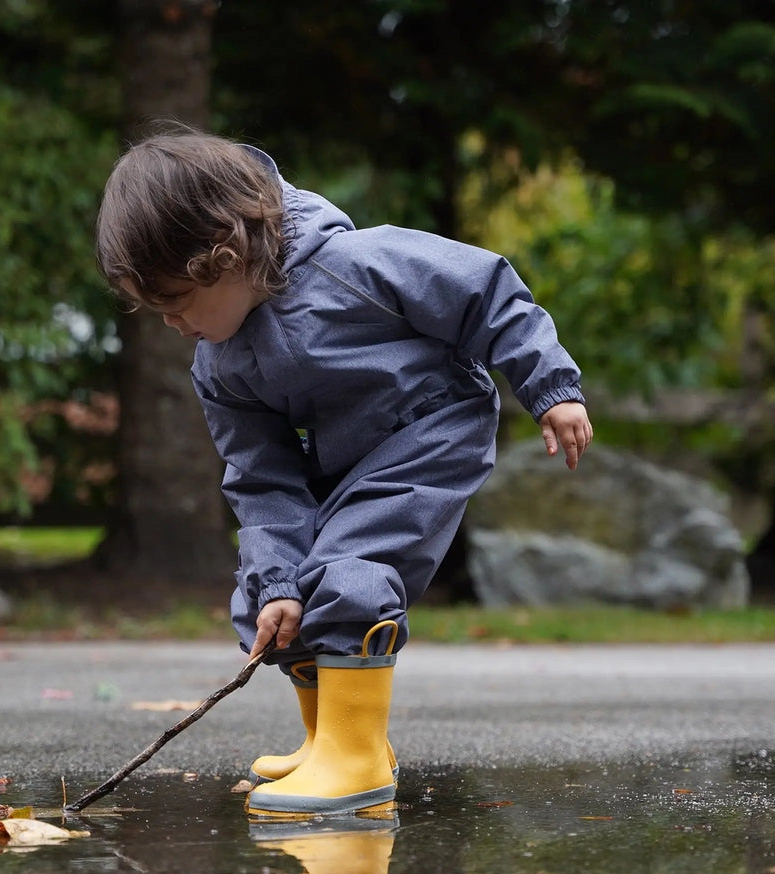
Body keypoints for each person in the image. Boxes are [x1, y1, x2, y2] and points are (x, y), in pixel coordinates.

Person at [95, 124, 593, 818]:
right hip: (347, 460)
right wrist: (273, 580)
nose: (172, 325)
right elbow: (260, 476)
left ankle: (356, 761)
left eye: (176, 303)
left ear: (224, 256)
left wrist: (552, 388)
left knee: (352, 571)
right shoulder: (220, 364)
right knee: (277, 592)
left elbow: (486, 290)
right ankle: (331, 737)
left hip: (433, 427)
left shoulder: (356, 263)